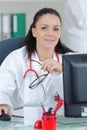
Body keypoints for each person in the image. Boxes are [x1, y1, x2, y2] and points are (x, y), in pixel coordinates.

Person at [0, 8, 72, 120]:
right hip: (21, 120)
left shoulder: (69, 61)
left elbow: (78, 99)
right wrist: (2, 104)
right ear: (34, 31)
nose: (50, 34)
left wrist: (63, 72)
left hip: (59, 120)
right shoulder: (16, 59)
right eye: (44, 28)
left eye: (56, 29)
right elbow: (2, 89)